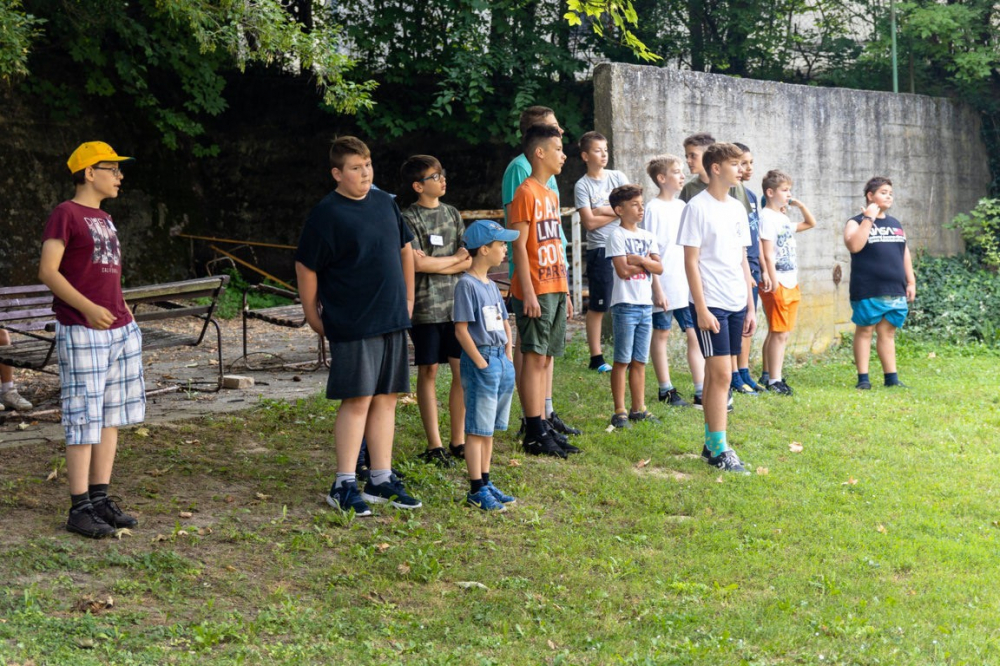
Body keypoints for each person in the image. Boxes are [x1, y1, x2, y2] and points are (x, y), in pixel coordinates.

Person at [296, 136, 421, 517]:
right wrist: (312, 315)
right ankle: (344, 483)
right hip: (353, 320)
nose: (365, 173)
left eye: (367, 165)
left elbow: (405, 249)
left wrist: (409, 299)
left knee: (387, 398)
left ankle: (380, 478)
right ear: (337, 173)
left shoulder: (385, 203)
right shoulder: (326, 214)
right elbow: (306, 266)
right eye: (355, 168)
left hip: (392, 316)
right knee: (358, 399)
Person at [37, 141, 144, 538]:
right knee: (83, 417)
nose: (119, 176)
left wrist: (125, 309)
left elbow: (106, 274)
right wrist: (87, 308)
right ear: (89, 172)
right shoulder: (66, 214)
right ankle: (79, 507)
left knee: (110, 416)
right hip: (84, 329)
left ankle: (99, 498)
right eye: (112, 169)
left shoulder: (105, 218)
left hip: (118, 328)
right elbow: (48, 271)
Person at [501, 106, 580, 446]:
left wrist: (566, 290)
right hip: (534, 287)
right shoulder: (525, 190)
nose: (564, 154)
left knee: (545, 356)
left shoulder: (549, 193)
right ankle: (533, 429)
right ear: (539, 153)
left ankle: (544, 423)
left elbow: (554, 242)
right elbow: (519, 245)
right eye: (558, 149)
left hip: (555, 284)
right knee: (533, 357)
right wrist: (529, 292)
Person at [677, 143, 757, 473]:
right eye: (735, 164)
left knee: (716, 375)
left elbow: (742, 259)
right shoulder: (696, 207)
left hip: (737, 301)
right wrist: (701, 308)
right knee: (723, 374)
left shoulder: (737, 207)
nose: (742, 169)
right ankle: (721, 449)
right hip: (712, 304)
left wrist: (750, 307)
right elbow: (690, 262)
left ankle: (711, 445)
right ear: (716, 168)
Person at [400, 155, 471, 467]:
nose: (442, 180)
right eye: (435, 176)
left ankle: (458, 440)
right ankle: (435, 445)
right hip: (426, 307)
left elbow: (469, 258)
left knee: (461, 371)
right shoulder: (408, 218)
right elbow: (416, 264)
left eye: (442, 174)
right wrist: (453, 260)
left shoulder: (452, 213)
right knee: (428, 370)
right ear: (418, 186)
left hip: (457, 305)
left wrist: (441, 263)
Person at [453, 220, 519, 511]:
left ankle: (486, 480)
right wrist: (480, 362)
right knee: (477, 428)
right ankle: (475, 488)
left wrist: (508, 353)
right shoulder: (466, 285)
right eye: (501, 244)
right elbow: (461, 330)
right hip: (482, 361)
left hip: (500, 361)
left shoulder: (491, 285)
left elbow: (504, 321)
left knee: (489, 428)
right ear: (483, 249)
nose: (505, 249)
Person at [843, 176, 915, 389]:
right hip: (867, 288)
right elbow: (854, 246)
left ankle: (891, 378)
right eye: (884, 192)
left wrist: (910, 281)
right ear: (870, 195)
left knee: (888, 332)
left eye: (890, 193)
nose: (889, 196)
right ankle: (863, 379)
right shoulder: (855, 222)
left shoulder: (895, 224)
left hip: (895, 288)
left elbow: (904, 253)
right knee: (865, 330)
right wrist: (869, 218)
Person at [641, 155, 697, 407]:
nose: (682, 175)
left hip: (685, 286)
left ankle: (700, 388)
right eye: (676, 172)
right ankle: (666, 388)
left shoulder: (683, 206)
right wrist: (657, 289)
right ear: (662, 178)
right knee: (662, 333)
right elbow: (649, 252)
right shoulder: (652, 209)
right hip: (664, 285)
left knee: (694, 334)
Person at [605, 184, 663, 428]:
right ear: (620, 210)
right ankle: (619, 411)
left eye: (642, 204)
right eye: (634, 205)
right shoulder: (617, 236)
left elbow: (659, 268)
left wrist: (638, 259)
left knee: (640, 360)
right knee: (622, 360)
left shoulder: (648, 236)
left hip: (645, 306)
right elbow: (622, 270)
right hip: (625, 305)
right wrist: (647, 262)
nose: (641, 209)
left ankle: (638, 408)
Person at [574, 131, 629, 374]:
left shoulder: (617, 177)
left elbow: (632, 208)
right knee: (599, 305)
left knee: (626, 301)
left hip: (624, 247)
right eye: (597, 150)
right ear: (585, 156)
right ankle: (596, 357)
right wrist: (616, 211)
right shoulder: (582, 185)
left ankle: (625, 353)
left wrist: (600, 210)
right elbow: (589, 223)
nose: (604, 154)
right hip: (600, 250)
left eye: (605, 150)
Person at [758, 169, 816, 395]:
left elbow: (810, 223)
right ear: (770, 192)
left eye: (789, 190)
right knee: (779, 332)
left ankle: (772, 375)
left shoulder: (782, 218)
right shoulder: (766, 217)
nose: (788, 194)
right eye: (784, 190)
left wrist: (799, 205)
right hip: (778, 281)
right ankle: (774, 380)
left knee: (782, 332)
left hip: (791, 280)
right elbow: (767, 253)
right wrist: (773, 280)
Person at [731, 143, 764, 395]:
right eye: (743, 163)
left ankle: (744, 372)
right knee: (738, 320)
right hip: (738, 266)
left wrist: (763, 268)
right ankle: (733, 374)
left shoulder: (751, 196)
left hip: (752, 265)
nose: (748, 168)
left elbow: (756, 234)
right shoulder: (730, 195)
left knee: (749, 322)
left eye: (750, 162)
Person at [679, 133, 716, 203]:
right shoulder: (689, 189)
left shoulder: (729, 185)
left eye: (693, 156)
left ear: (708, 156)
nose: (688, 161)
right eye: (687, 157)